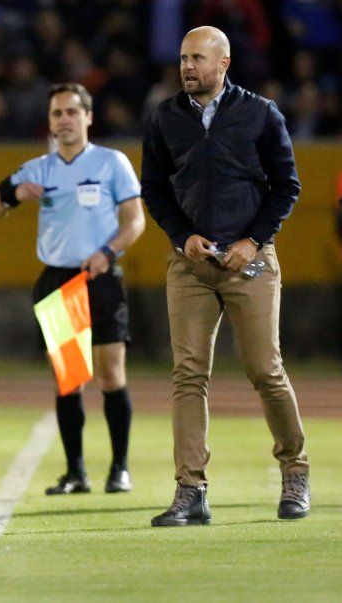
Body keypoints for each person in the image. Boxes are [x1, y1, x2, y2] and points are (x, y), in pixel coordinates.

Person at [141, 26, 309, 526]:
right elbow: (155, 189)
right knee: (188, 375)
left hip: (249, 262)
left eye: (197, 58)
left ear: (224, 63)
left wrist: (253, 240)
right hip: (191, 265)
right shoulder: (165, 117)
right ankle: (190, 491)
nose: (187, 67)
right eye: (183, 58)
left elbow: (287, 186)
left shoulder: (261, 113)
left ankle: (295, 472)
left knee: (265, 370)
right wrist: (181, 236)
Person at [0, 83, 145, 495]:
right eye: (57, 113)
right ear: (50, 122)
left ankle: (120, 468)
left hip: (101, 277)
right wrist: (15, 194)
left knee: (111, 374)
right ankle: (76, 473)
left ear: (88, 117)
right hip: (59, 279)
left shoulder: (111, 162)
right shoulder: (38, 168)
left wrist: (107, 252)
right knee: (69, 380)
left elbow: (135, 221)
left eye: (72, 111)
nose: (65, 119)